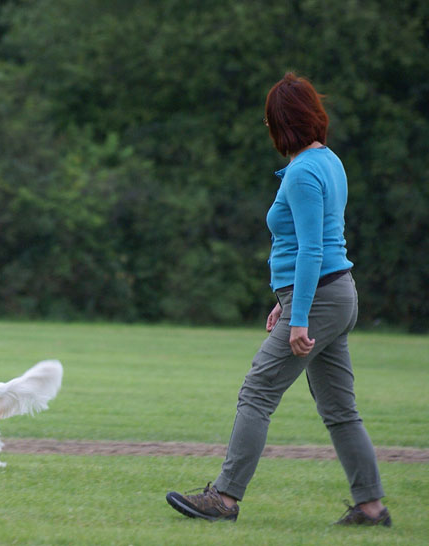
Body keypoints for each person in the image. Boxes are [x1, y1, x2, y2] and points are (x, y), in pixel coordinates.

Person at [165, 73, 391, 526]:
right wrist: (286, 300)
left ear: (280, 123)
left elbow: (312, 249)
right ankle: (371, 508)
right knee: (340, 411)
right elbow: (313, 245)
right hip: (332, 293)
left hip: (320, 299)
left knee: (257, 391)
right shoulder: (329, 161)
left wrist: (301, 315)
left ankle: (224, 499)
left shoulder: (304, 173)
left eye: (269, 121)